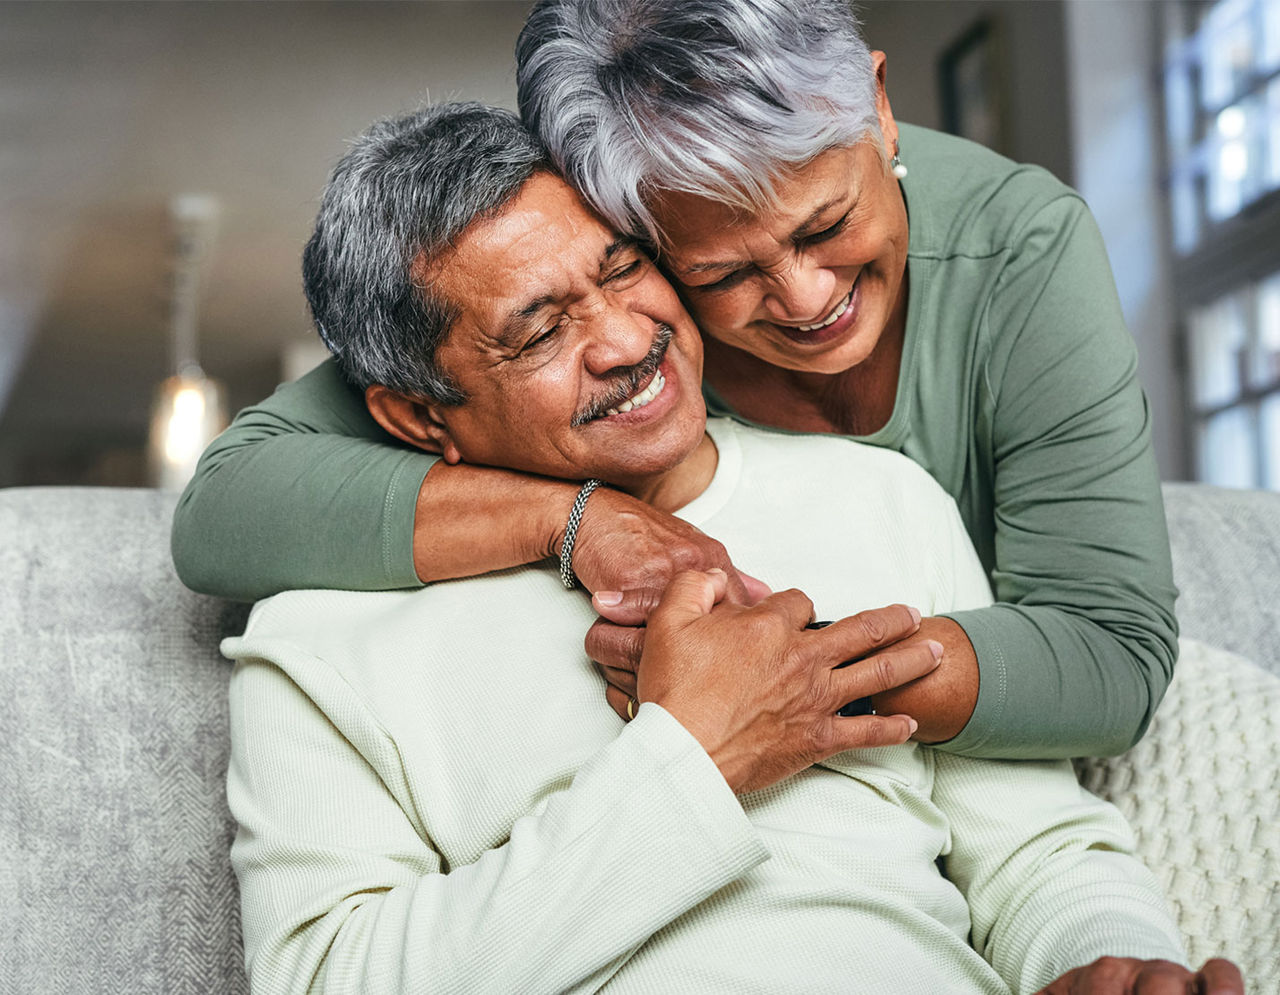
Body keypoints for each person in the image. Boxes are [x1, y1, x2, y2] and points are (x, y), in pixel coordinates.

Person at [224, 103, 1242, 994]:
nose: (627, 340)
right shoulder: (319, 635)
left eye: (625, 268)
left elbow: (1036, 854)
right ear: (415, 416)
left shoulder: (880, 496)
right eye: (538, 333)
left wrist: (1101, 957)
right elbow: (328, 977)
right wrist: (693, 759)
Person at [174, 0, 1177, 761]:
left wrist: (776, 675)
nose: (805, 297)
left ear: (879, 107)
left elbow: (1112, 653)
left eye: (827, 224)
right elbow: (227, 504)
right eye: (721, 272)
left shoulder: (1022, 246)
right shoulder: (622, 268)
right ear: (629, 222)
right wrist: (577, 520)